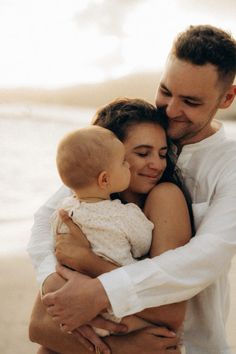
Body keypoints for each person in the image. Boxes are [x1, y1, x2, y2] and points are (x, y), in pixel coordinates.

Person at [39, 24, 236, 354]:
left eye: (189, 101)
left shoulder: (229, 166)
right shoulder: (130, 136)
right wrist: (56, 281)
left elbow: (208, 255)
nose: (171, 110)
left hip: (191, 343)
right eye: (165, 91)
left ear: (227, 98)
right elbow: (52, 215)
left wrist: (97, 285)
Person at [28, 98, 192, 354]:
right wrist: (120, 348)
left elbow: (171, 312)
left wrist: (88, 261)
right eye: (141, 153)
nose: (158, 165)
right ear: (108, 157)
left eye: (162, 154)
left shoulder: (164, 197)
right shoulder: (80, 209)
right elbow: (38, 327)